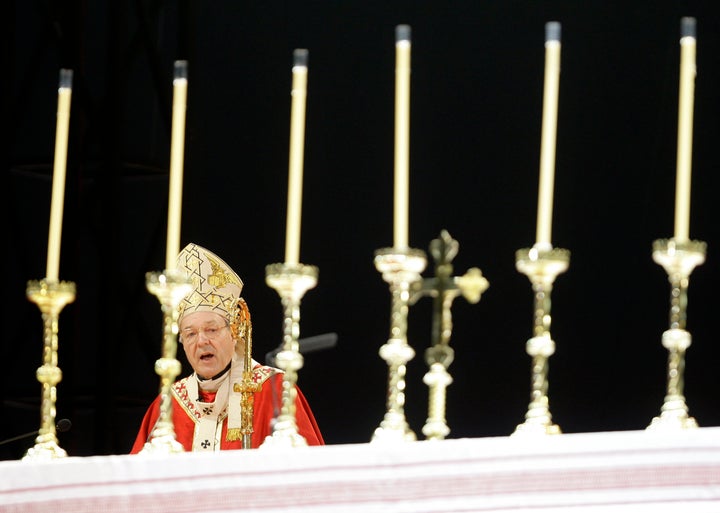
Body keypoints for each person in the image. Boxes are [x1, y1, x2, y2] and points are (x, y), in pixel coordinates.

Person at [131, 243, 323, 452]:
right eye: (190, 334)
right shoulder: (167, 405)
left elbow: (311, 471)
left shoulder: (276, 391)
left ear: (234, 332)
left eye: (211, 330)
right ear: (182, 343)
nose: (201, 341)